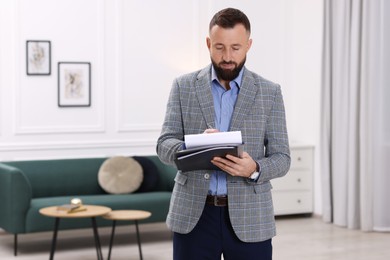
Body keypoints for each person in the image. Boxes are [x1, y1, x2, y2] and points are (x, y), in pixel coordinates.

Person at [156, 7, 291, 260]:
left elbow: (282, 158)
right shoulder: (183, 86)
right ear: (208, 44)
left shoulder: (270, 92)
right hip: (194, 216)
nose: (227, 56)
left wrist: (254, 168)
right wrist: (195, 148)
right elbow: (164, 144)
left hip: (250, 216)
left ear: (249, 45)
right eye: (219, 47)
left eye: (236, 48)